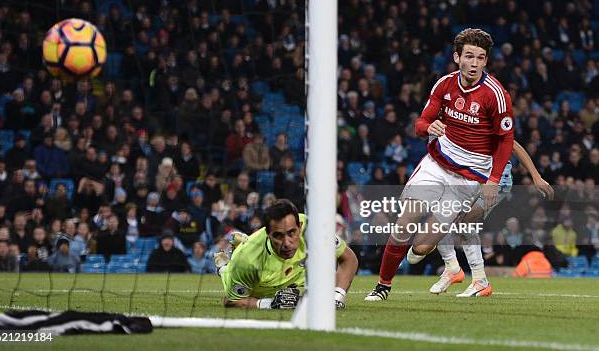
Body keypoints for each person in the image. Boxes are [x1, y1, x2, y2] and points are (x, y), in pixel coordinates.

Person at [365, 28, 514, 301]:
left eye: (480, 58)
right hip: (436, 164)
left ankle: (449, 267)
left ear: (486, 61)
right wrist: (427, 127)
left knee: (420, 249)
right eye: (469, 56)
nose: (474, 63)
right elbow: (420, 124)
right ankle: (383, 286)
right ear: (458, 57)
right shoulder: (444, 85)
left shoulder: (496, 94)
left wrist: (493, 180)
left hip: (468, 179)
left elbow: (506, 141)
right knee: (404, 224)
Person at [421, 140, 554, 297]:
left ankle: (467, 275)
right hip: (472, 176)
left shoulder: (489, 119)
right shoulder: (457, 121)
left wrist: (536, 177)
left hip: (496, 181)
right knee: (447, 217)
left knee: (459, 220)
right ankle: (466, 274)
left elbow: (514, 146)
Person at [214, 199, 358, 309]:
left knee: (328, 278)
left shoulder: (313, 229)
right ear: (268, 234)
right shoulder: (247, 260)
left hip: (296, 272)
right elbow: (231, 301)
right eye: (278, 236)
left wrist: (337, 298)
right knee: (229, 271)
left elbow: (349, 259)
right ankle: (223, 265)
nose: (287, 243)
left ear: (300, 227)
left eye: (292, 233)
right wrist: (269, 304)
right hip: (261, 284)